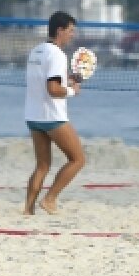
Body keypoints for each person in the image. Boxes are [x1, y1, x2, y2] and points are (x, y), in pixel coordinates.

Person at [23, 11, 86, 215]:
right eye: (70, 30)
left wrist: (68, 81)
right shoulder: (58, 54)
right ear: (60, 30)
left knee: (42, 165)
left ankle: (28, 210)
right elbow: (53, 89)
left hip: (33, 116)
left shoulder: (36, 51)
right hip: (52, 117)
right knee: (78, 160)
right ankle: (49, 200)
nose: (72, 35)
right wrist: (72, 91)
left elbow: (47, 80)